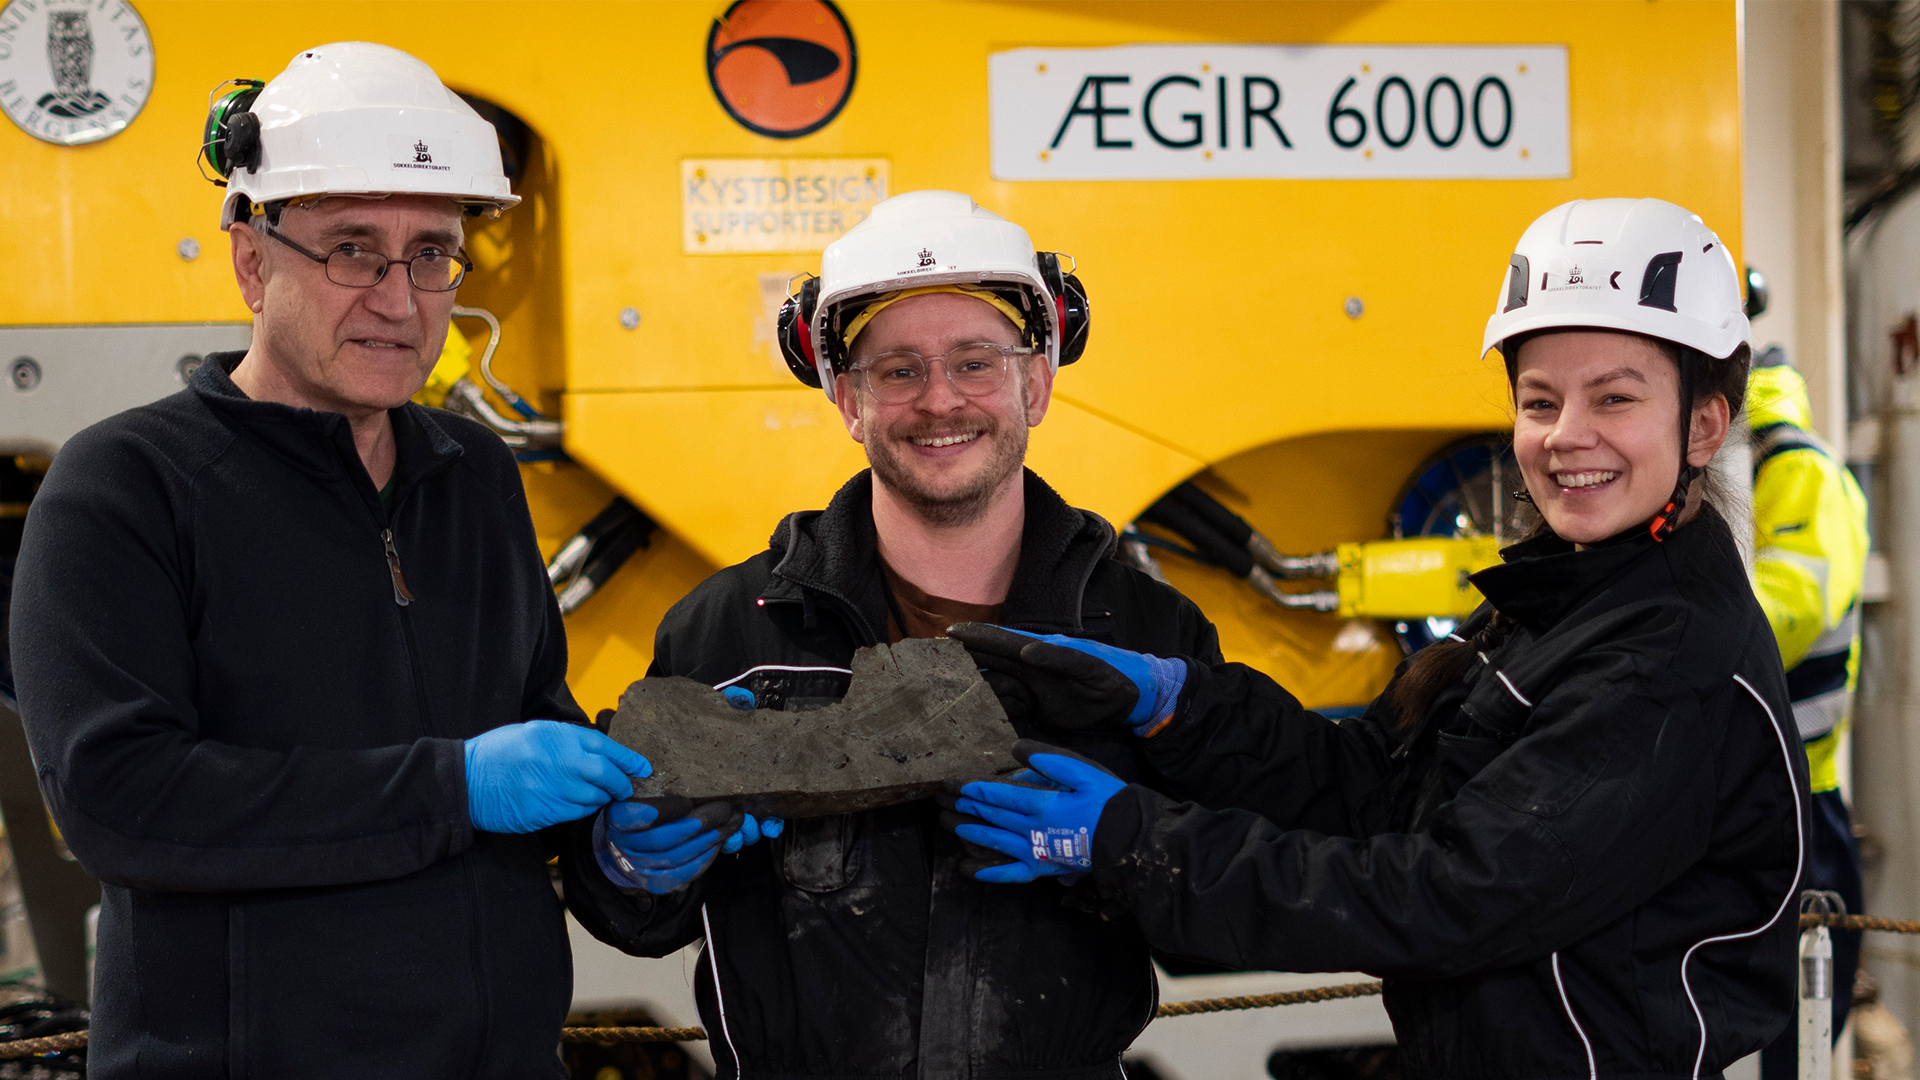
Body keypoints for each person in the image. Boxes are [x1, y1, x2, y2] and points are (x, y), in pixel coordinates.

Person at [947, 198, 1807, 1079]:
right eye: (1539, 401)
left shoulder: (1668, 664)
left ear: (1704, 423)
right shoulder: (1569, 596)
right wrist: (1183, 709)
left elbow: (1441, 896)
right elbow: (1383, 789)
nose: (1564, 437)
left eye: (1615, 398)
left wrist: (1128, 842)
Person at [10, 43, 654, 1078]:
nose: (402, 302)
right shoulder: (125, 487)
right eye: (354, 249)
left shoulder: (474, 476)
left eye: (433, 253)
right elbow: (120, 802)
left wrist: (628, 852)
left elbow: (537, 720)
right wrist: (454, 787)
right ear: (252, 258)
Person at [561, 189, 1224, 1079]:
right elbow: (638, 921)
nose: (939, 402)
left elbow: (1222, 909)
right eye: (898, 370)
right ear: (847, 398)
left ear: (1037, 380)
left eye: (975, 362)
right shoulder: (731, 627)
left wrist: (1133, 846)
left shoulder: (1146, 633)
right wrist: (627, 861)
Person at [1746, 347, 1870, 1080]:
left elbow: (1786, 607)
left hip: (1802, 801)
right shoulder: (1773, 472)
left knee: (1800, 1031)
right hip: (1781, 797)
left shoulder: (1798, 470)